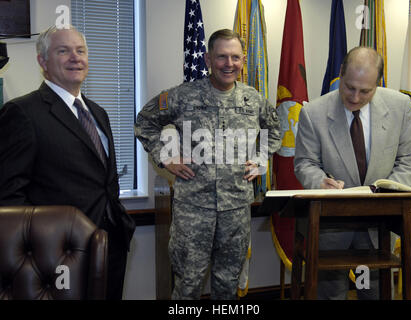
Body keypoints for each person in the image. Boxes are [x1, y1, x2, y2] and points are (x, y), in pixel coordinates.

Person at [135, 29, 281, 299]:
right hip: (193, 208)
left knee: (227, 285)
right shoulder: (182, 96)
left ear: (243, 60)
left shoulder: (254, 100)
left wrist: (261, 158)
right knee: (188, 284)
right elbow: (144, 122)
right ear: (207, 59)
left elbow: (275, 129)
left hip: (236, 208)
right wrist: (166, 157)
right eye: (221, 57)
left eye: (235, 57)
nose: (229, 64)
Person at [0, 26, 135, 300]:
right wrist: (36, 250)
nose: (75, 58)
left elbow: (103, 180)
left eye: (81, 51)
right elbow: (8, 194)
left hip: (110, 246)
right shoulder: (22, 113)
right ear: (42, 61)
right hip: (56, 255)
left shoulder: (98, 113)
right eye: (63, 51)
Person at [294, 46, 411, 300]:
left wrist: (389, 189)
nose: (355, 97)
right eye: (349, 87)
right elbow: (305, 162)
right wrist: (319, 181)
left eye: (365, 91)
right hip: (331, 224)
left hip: (378, 222)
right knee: (331, 293)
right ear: (341, 73)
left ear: (378, 83)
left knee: (372, 291)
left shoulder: (399, 106)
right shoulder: (314, 113)